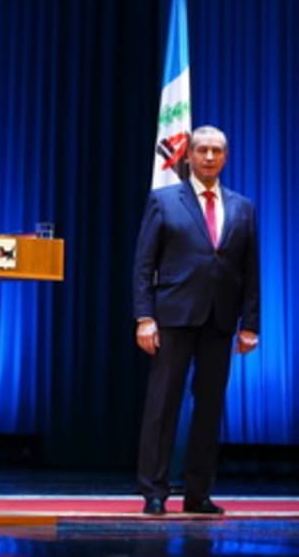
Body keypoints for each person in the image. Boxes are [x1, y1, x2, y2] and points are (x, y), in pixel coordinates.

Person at [132, 125, 260, 516]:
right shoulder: (164, 200)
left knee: (209, 409)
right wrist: (144, 317)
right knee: (163, 405)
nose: (208, 157)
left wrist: (251, 324)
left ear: (226, 157)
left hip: (220, 320)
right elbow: (143, 265)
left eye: (216, 151)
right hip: (173, 317)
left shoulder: (242, 207)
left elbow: (250, 271)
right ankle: (154, 492)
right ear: (188, 156)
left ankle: (198, 493)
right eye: (202, 150)